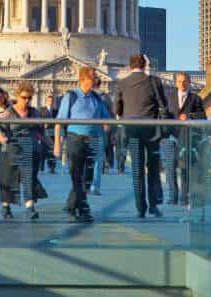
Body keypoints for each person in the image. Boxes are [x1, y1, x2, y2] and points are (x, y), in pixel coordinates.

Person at [115, 53, 171, 218]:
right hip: (152, 131)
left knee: (137, 170)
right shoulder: (154, 82)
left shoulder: (123, 83)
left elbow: (116, 110)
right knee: (153, 169)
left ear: (130, 66)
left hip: (132, 131)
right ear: (145, 64)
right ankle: (153, 205)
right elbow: (163, 105)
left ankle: (141, 208)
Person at [54, 66, 111, 223]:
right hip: (75, 139)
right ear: (83, 79)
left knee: (86, 177)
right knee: (77, 176)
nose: (96, 80)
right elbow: (59, 122)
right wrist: (57, 145)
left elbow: (106, 118)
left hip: (92, 141)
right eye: (93, 78)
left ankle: (71, 205)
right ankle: (84, 210)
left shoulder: (97, 98)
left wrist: (106, 126)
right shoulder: (71, 97)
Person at [0, 82, 44, 220]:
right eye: (24, 97)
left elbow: (42, 129)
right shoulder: (9, 112)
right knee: (8, 179)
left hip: (28, 148)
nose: (27, 100)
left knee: (28, 178)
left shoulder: (34, 113)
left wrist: (45, 143)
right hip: (11, 149)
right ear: (17, 96)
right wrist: (0, 137)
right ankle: (6, 207)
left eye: (29, 98)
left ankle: (30, 207)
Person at [164, 72, 206, 207]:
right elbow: (163, 115)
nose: (182, 84)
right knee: (170, 168)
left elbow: (203, 117)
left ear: (189, 83)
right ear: (175, 83)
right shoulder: (169, 97)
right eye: (179, 81)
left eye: (185, 81)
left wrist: (188, 116)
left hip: (186, 138)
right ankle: (172, 197)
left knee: (184, 169)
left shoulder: (196, 99)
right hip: (171, 137)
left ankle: (184, 198)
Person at [38, 94, 58, 173]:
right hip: (44, 133)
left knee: (52, 151)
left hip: (53, 133)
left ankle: (52, 167)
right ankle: (41, 166)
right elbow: (39, 119)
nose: (50, 102)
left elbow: (58, 121)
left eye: (52, 101)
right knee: (43, 150)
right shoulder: (42, 110)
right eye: (49, 101)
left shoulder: (56, 111)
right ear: (46, 101)